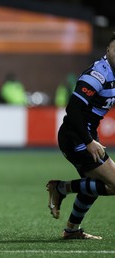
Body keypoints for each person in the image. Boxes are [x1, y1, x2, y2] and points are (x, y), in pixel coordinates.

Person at [46, 34, 115, 240]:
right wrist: (88, 141)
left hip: (84, 135)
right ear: (108, 50)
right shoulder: (97, 75)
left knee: (93, 183)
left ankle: (71, 230)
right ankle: (61, 188)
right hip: (76, 137)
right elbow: (73, 109)